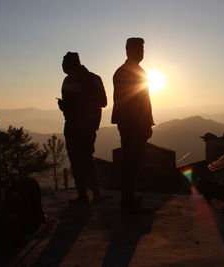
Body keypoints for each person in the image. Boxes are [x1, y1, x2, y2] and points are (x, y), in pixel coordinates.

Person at [111, 38, 154, 213]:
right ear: (128, 51)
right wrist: (145, 123)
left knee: (132, 161)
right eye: (139, 49)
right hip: (133, 124)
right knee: (131, 161)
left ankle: (128, 197)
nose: (142, 52)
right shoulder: (129, 72)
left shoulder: (128, 71)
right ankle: (127, 202)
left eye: (143, 48)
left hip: (132, 123)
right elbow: (136, 102)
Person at [58, 52, 107, 205]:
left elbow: (103, 101)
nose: (65, 70)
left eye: (65, 66)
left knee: (83, 158)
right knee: (80, 159)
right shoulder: (69, 80)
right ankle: (88, 194)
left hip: (84, 125)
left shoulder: (92, 79)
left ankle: (91, 193)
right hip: (75, 124)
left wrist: (78, 105)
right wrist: (64, 106)